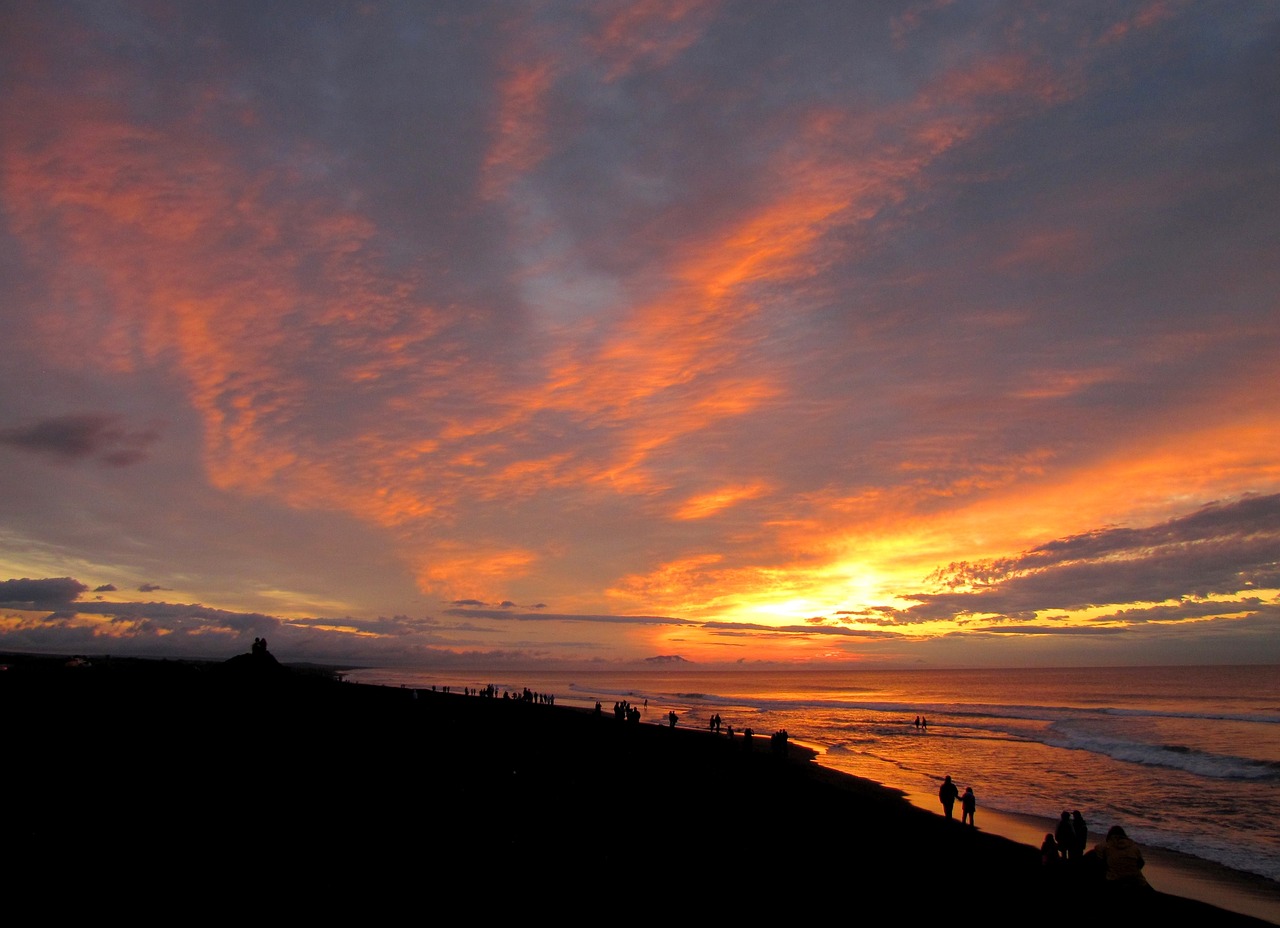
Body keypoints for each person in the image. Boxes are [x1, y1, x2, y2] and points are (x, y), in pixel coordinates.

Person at [1093, 825, 1151, 891]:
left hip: (1113, 879)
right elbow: (1141, 863)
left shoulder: (1105, 845)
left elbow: (1098, 857)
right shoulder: (1134, 847)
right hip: (1135, 879)